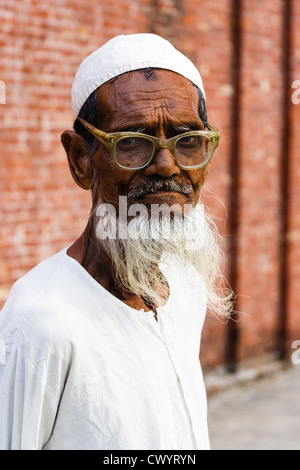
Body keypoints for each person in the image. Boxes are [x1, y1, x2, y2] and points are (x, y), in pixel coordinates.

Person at [0, 33, 233, 450]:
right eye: (132, 144)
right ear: (79, 161)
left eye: (188, 141)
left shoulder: (185, 285)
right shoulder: (41, 320)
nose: (167, 165)